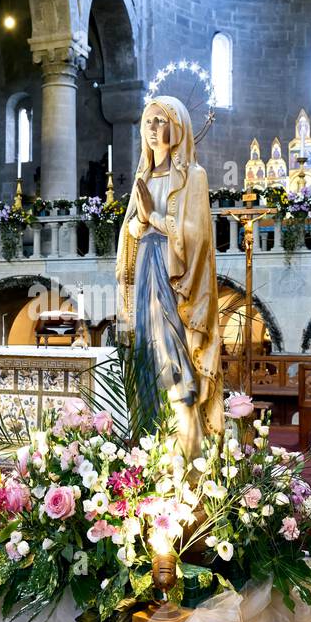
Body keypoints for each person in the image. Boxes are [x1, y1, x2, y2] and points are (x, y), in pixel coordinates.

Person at [116, 95, 224, 461]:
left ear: (176, 129)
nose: (152, 129)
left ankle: (190, 460)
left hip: (174, 280)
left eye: (160, 121)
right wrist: (140, 221)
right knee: (147, 360)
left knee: (174, 363)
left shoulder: (194, 176)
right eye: (147, 122)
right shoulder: (142, 178)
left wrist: (153, 218)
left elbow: (196, 235)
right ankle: (154, 454)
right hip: (145, 270)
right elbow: (130, 231)